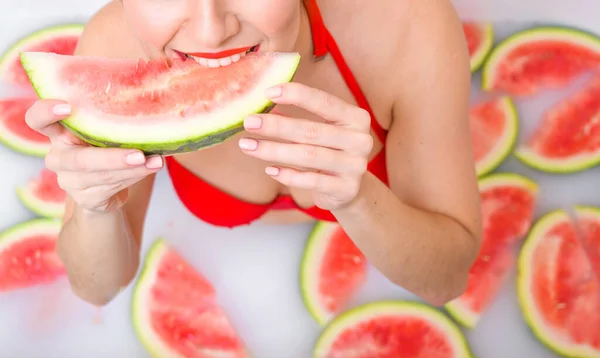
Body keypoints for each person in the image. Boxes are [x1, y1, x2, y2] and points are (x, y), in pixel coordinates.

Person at [24, 0, 482, 308]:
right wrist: (95, 208)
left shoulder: (406, 22)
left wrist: (359, 197)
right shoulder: (113, 45)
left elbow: (449, 280)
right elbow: (97, 289)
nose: (212, 28)